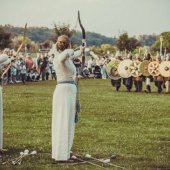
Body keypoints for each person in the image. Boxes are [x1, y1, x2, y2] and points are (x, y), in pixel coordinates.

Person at [52, 35, 85, 162]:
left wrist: (81, 50)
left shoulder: (67, 57)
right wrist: (71, 50)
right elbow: (64, 57)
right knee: (63, 121)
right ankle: (61, 155)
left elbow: (73, 55)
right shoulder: (60, 56)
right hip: (64, 91)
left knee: (69, 121)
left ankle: (65, 151)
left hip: (69, 90)